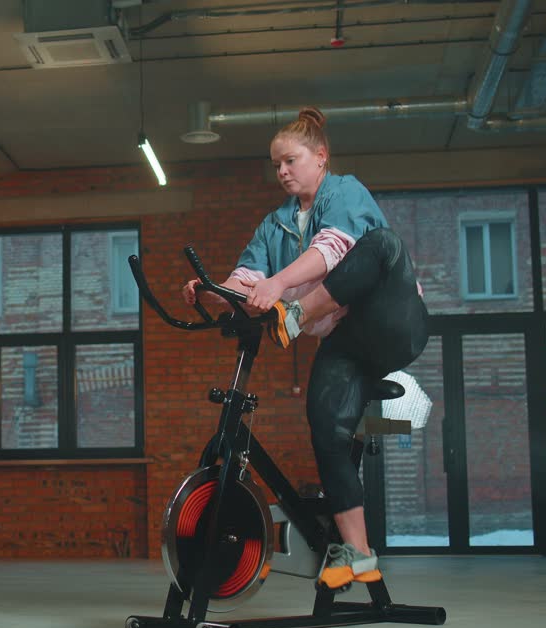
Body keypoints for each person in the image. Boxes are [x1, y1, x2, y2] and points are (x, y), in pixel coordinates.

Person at [182, 107, 428, 590]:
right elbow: (247, 280)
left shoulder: (345, 191)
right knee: (327, 430)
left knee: (381, 242)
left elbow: (330, 250)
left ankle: (298, 315)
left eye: (290, 160)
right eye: (276, 164)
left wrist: (281, 290)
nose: (282, 171)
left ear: (321, 157)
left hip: (395, 321)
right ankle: (358, 554)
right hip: (346, 340)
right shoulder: (275, 225)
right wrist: (210, 291)